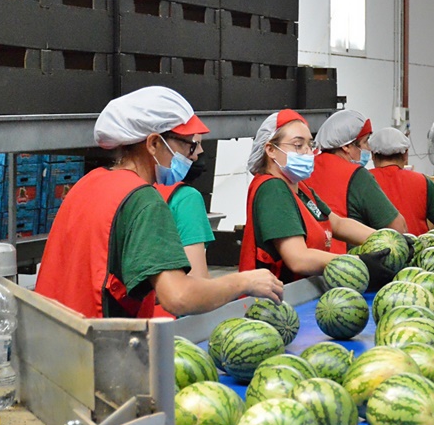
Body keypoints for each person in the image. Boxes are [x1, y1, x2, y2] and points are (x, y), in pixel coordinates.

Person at [35, 87, 283, 319]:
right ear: (153, 143)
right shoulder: (143, 200)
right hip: (101, 349)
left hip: (57, 339)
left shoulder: (90, 182)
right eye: (190, 144)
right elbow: (178, 297)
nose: (196, 154)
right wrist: (244, 282)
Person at [241, 109, 387, 284]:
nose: (308, 152)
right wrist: (359, 263)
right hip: (278, 299)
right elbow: (298, 259)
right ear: (271, 150)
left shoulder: (298, 187)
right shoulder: (272, 189)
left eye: (309, 145)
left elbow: (338, 223)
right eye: (298, 145)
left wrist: (387, 240)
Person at [305, 109, 406, 253]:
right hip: (348, 265)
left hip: (311, 261)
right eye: (364, 142)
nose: (368, 148)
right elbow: (397, 228)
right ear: (346, 146)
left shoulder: (305, 171)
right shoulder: (357, 176)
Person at [368, 126, 434, 234]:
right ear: (406, 154)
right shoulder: (422, 181)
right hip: (417, 248)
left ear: (373, 155)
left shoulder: (363, 181)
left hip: (374, 249)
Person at [154, 137, 214, 279]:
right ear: (154, 144)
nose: (198, 153)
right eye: (194, 145)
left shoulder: (99, 183)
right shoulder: (186, 198)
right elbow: (197, 281)